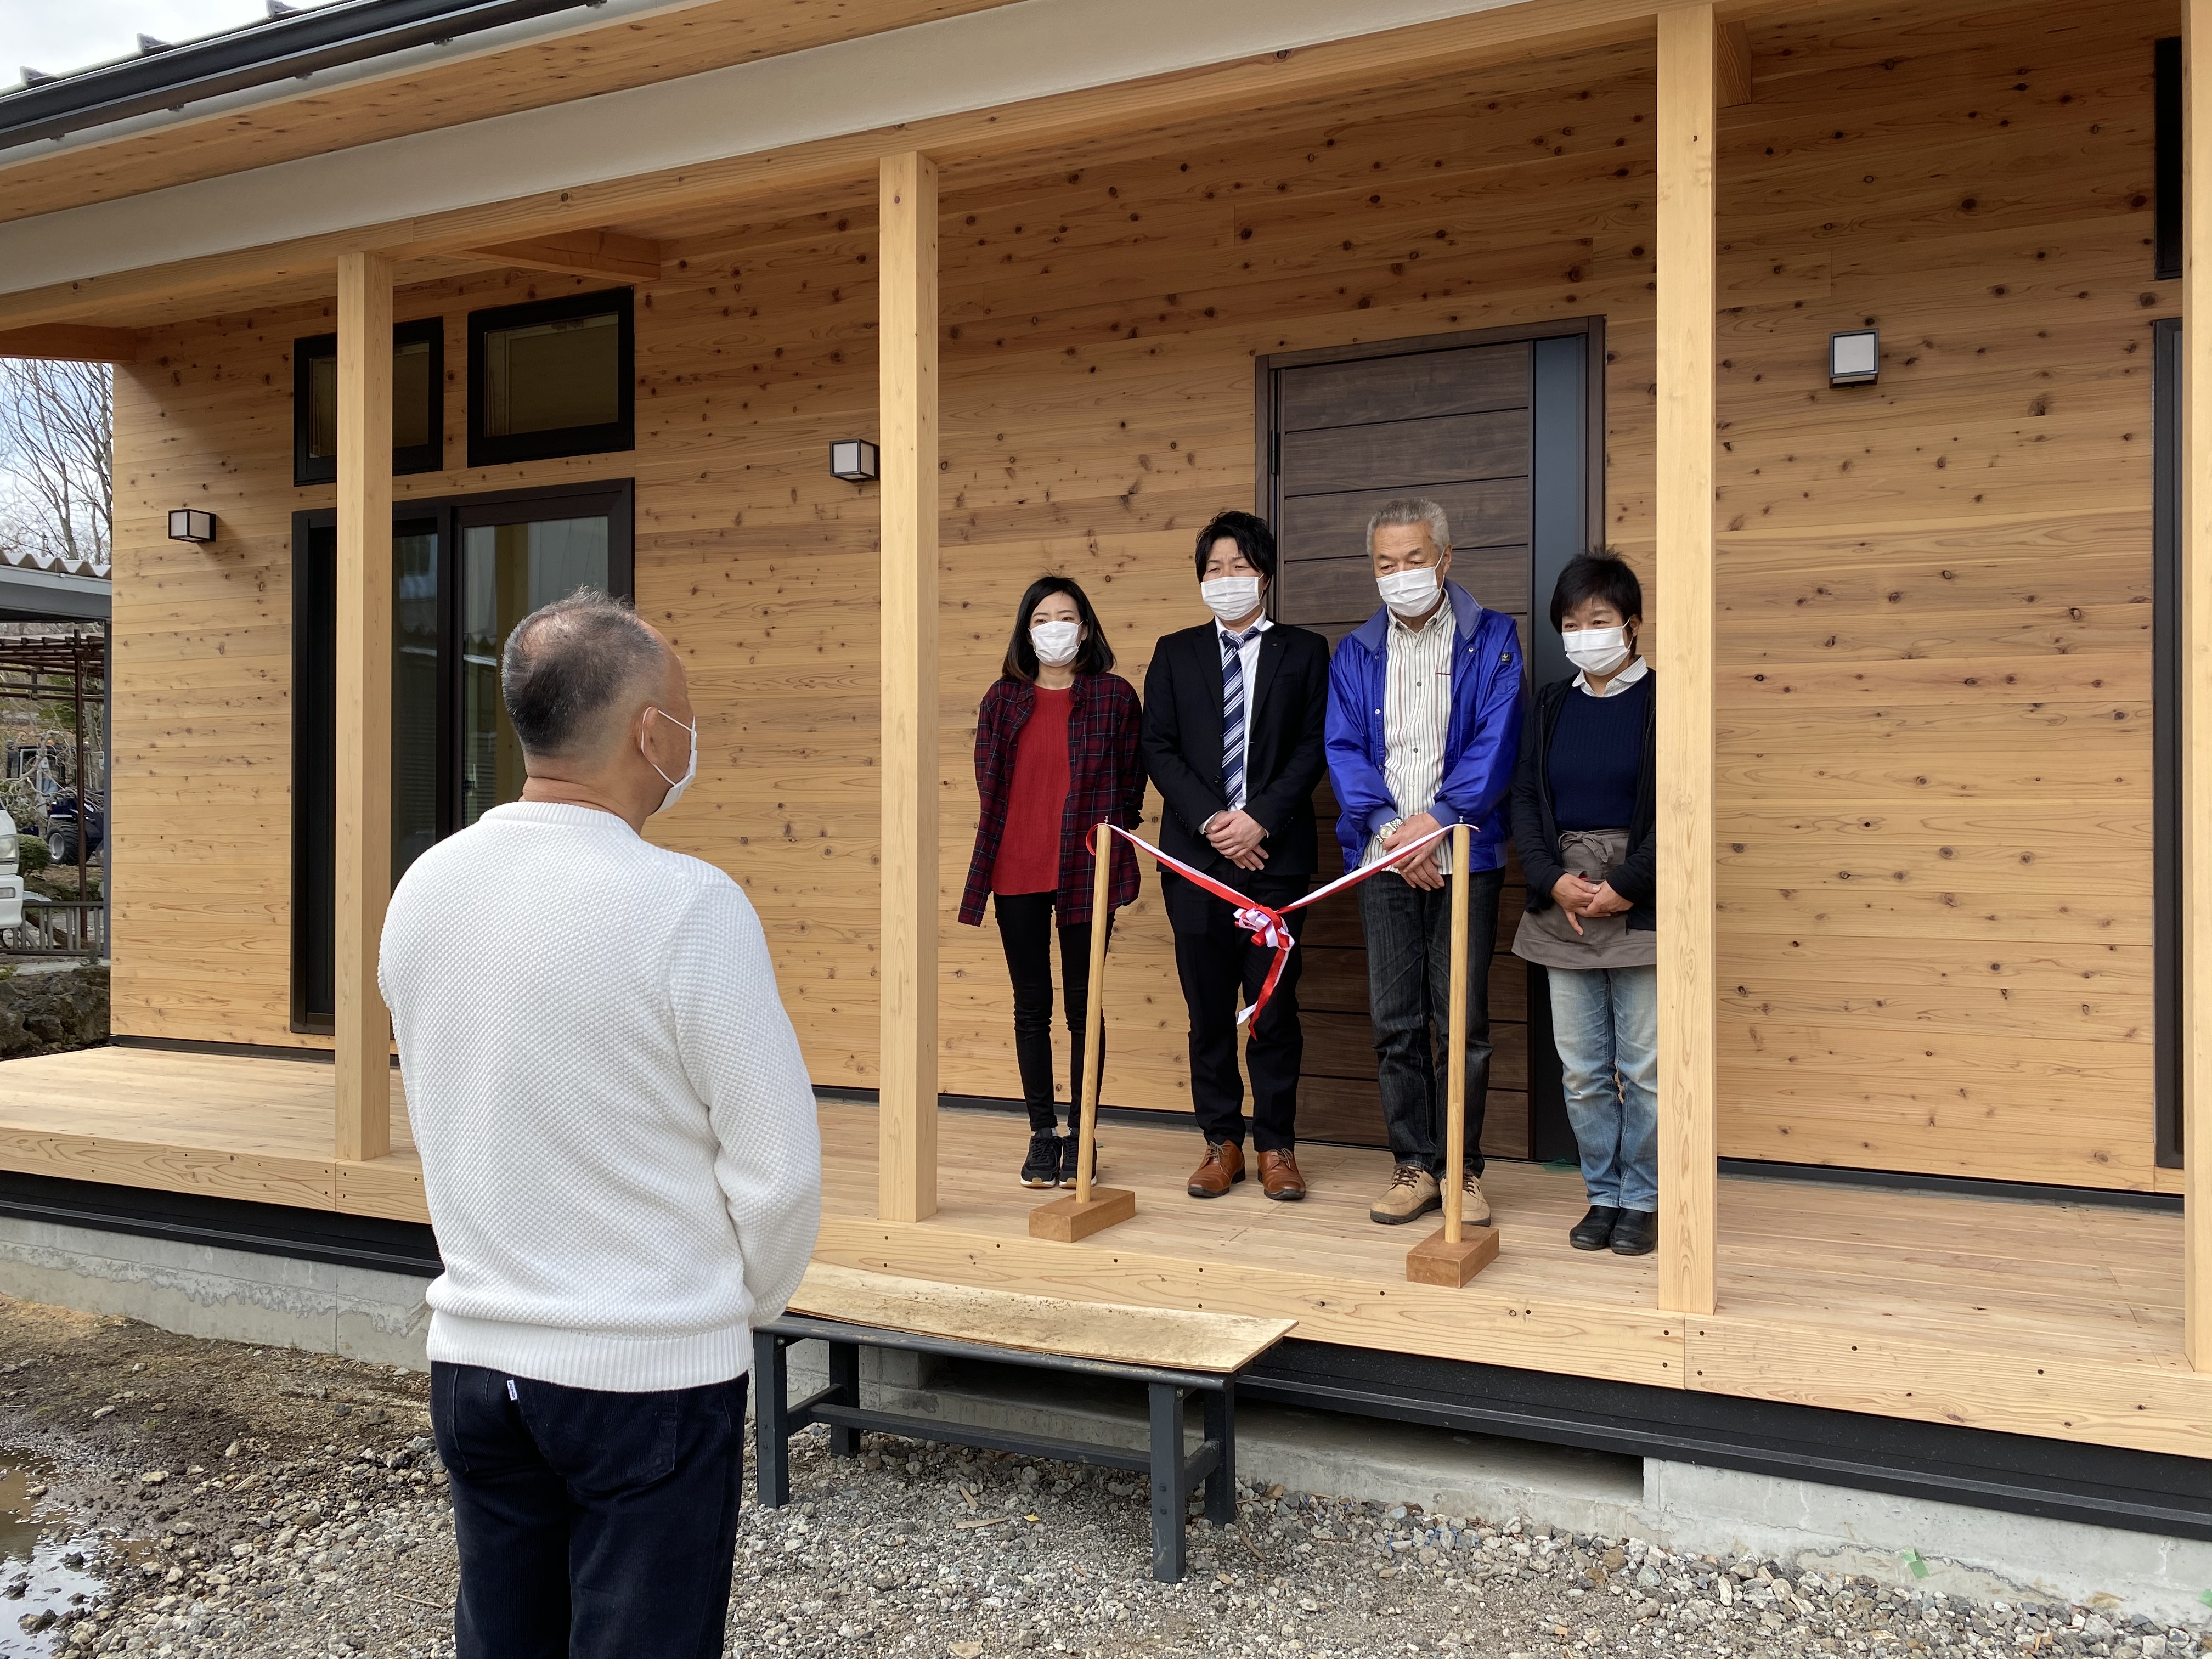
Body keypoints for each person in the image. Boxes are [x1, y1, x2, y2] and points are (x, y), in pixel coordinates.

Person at [379, 589, 822, 1659]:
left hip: (477, 1359)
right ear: (650, 734)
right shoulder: (688, 906)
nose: (690, 736)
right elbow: (780, 1172)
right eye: (686, 715)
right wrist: (731, 1306)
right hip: (651, 1370)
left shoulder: (426, 888)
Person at [1324, 498, 1525, 1228]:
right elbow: (1343, 751)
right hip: (1383, 860)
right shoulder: (1354, 653)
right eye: (1386, 563)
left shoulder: (1493, 639)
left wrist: (1434, 823)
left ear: (1445, 558)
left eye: (1414, 559)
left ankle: (1463, 1172)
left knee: (1462, 1022)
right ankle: (1413, 1166)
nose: (1400, 574)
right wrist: (1388, 829)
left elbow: (1497, 746)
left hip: (1465, 855)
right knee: (1396, 1022)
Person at [1141, 510, 1331, 1201]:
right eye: (1214, 569)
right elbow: (1157, 746)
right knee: (1209, 1010)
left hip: (1273, 861)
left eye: (1240, 567)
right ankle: (1221, 1141)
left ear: (1266, 576)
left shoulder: (1306, 652)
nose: (1227, 580)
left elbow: (1315, 746)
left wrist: (1259, 822)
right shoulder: (1173, 652)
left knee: (1274, 1009)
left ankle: (1277, 1145)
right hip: (1195, 862)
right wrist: (1216, 821)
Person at [957, 575, 1146, 1189]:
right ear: (1026, 630)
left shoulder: (1115, 698)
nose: (1054, 628)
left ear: (1085, 628)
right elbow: (991, 784)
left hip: (1086, 870)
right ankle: (1042, 1134)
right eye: (1042, 619)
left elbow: (1132, 784)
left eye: (1066, 617)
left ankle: (1082, 1131)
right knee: (1031, 1006)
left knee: (1083, 1006)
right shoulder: (1003, 701)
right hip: (1016, 868)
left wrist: (1116, 837)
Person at [1511, 551, 1658, 1256]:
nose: (1584, 633)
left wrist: (1624, 886)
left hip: (1641, 899)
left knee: (1645, 1068)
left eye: (1598, 620)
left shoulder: (1665, 700)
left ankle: (1645, 1198)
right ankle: (1602, 1194)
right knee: (1582, 1068)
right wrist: (1551, 880)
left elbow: (1678, 811)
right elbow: (1526, 804)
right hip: (1561, 898)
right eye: (1571, 623)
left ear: (1631, 625)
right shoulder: (1551, 704)